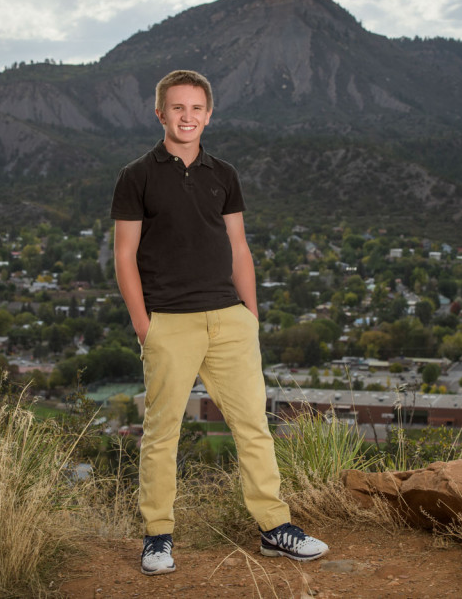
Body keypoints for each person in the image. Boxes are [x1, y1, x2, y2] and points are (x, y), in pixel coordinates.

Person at [110, 69, 329, 576]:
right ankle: (158, 537)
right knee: (161, 434)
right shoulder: (136, 175)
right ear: (159, 113)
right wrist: (145, 326)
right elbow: (124, 257)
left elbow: (238, 248)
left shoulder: (223, 174)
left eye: (197, 109)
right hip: (170, 323)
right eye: (178, 108)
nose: (187, 117)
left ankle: (275, 529)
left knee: (253, 427)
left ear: (209, 115)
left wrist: (250, 316)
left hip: (229, 319)